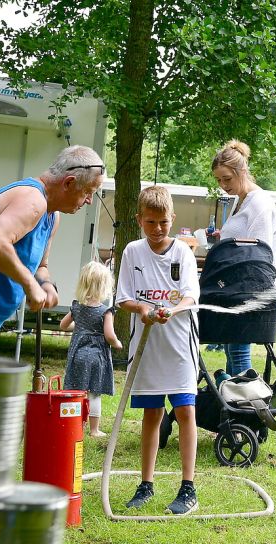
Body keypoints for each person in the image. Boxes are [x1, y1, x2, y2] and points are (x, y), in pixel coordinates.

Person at [0, 145, 104, 356]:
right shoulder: (33, 200)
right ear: (69, 183)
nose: (89, 200)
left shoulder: (51, 215)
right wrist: (30, 285)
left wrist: (45, 285)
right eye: (88, 192)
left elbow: (41, 266)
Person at [116, 186, 200, 516]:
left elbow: (190, 297)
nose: (158, 229)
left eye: (163, 222)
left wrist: (170, 311)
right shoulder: (132, 252)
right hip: (146, 345)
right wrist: (144, 310)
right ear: (139, 220)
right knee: (151, 414)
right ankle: (146, 484)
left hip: (179, 345)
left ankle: (187, 488)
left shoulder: (184, 253)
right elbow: (124, 298)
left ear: (172, 219)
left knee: (185, 412)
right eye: (150, 222)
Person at [209, 140, 276, 376]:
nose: (222, 185)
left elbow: (258, 254)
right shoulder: (240, 201)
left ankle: (246, 407)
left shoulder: (259, 203)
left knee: (238, 350)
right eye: (219, 180)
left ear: (242, 171)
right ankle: (232, 405)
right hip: (235, 289)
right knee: (232, 349)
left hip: (250, 290)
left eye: (227, 179)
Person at [59, 261, 122, 437]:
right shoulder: (105, 311)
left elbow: (63, 326)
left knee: (76, 391)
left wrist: (80, 329)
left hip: (78, 355)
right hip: (96, 357)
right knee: (94, 393)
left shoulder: (76, 306)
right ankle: (94, 430)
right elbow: (109, 335)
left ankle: (74, 426)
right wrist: (117, 343)